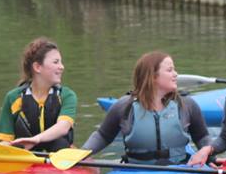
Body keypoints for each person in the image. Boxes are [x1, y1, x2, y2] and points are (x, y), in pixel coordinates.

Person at [82, 52, 210, 166]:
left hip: (179, 169)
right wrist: (82, 153)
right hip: (137, 170)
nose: (176, 74)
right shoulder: (124, 106)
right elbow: (103, 136)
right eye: (170, 70)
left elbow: (202, 137)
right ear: (153, 77)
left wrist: (210, 158)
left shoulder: (187, 105)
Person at [0, 37, 77, 151]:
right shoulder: (13, 98)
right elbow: (6, 141)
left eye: (61, 62)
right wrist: (1, 147)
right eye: (56, 62)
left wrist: (36, 139)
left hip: (60, 156)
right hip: (24, 157)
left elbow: (63, 127)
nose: (62, 67)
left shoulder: (66, 95)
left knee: (60, 143)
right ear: (37, 67)